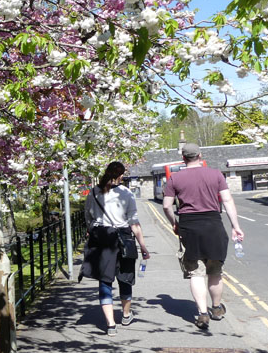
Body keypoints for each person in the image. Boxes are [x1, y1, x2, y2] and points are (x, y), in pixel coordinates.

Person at [162, 142, 244, 330]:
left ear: (183, 158)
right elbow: (227, 200)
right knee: (215, 271)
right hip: (213, 225)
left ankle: (202, 314)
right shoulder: (216, 174)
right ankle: (216, 309)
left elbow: (167, 206)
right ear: (200, 156)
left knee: (196, 273)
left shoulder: (174, 178)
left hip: (189, 227)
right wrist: (235, 226)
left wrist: (174, 223)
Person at [80, 161, 151, 336]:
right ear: (121, 175)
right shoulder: (126, 193)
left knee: (105, 280)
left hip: (102, 239)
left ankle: (110, 324)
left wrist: (92, 230)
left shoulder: (95, 192)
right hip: (123, 238)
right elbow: (134, 222)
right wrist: (143, 246)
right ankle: (126, 315)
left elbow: (87, 215)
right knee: (125, 278)